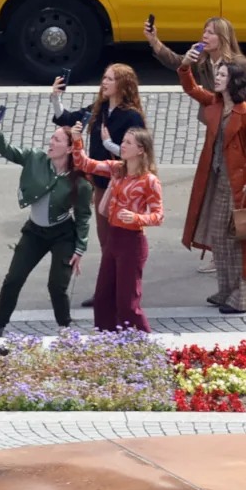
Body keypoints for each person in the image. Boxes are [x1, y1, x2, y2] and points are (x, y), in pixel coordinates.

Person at [145, 17, 242, 274]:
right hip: (215, 133)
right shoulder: (201, 60)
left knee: (231, 202)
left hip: (237, 136)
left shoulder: (239, 66)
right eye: (204, 31)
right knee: (212, 198)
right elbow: (180, 66)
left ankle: (230, 258)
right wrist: (155, 42)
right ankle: (218, 252)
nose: (204, 36)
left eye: (209, 33)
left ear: (222, 37)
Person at [51, 63, 146, 309]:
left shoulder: (131, 116)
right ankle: (108, 290)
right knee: (107, 241)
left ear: (122, 85)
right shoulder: (100, 109)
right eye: (104, 78)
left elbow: (138, 153)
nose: (104, 83)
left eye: (110, 79)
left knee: (123, 241)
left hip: (124, 187)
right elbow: (67, 119)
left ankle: (121, 292)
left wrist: (110, 144)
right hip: (102, 185)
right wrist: (56, 98)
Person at [0, 117, 93, 336]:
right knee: (13, 279)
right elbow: (8, 151)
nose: (51, 142)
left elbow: (83, 217)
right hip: (34, 232)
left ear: (70, 147)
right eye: (51, 138)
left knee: (57, 285)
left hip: (63, 234)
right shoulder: (36, 158)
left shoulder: (80, 183)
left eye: (57, 140)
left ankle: (64, 328)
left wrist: (79, 248)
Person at [70, 124, 163, 333]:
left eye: (128, 143)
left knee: (127, 304)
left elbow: (159, 216)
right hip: (114, 239)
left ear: (141, 150)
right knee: (103, 298)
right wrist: (77, 140)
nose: (122, 145)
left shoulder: (150, 181)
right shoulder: (116, 169)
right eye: (122, 142)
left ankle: (145, 346)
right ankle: (107, 344)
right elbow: (83, 163)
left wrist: (136, 217)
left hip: (133, 243)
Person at [178, 52, 246, 313]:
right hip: (218, 178)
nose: (216, 78)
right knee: (219, 236)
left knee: (237, 238)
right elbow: (191, 88)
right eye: (216, 74)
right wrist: (185, 65)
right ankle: (226, 289)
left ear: (233, 81)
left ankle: (241, 296)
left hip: (239, 183)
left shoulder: (244, 111)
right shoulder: (215, 104)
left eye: (221, 75)